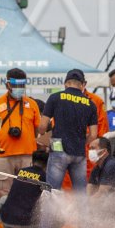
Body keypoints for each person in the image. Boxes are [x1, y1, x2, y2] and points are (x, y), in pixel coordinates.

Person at [40, 69, 99, 198]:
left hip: (57, 146)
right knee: (80, 194)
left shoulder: (55, 97)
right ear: (82, 85)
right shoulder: (90, 104)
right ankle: (82, 217)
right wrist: (81, 142)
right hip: (79, 151)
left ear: (66, 83)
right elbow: (94, 134)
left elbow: (42, 126)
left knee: (52, 191)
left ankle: (48, 218)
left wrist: (42, 135)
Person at [0, 68, 42, 195]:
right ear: (7, 84)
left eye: (22, 85)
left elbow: (37, 131)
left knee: (28, 193)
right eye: (16, 85)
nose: (19, 88)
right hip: (2, 158)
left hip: (27, 156)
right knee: (3, 193)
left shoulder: (32, 104)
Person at [0, 149, 49, 228]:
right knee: (44, 203)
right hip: (28, 221)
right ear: (46, 165)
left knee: (2, 200)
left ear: (32, 161)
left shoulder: (20, 172)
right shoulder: (44, 176)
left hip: (9, 219)